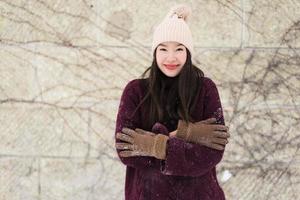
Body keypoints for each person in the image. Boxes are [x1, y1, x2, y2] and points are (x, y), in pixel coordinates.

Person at [114, 4, 230, 200]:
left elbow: (214, 150)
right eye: (163, 49)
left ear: (188, 52)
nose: (171, 57)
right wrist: (185, 135)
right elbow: (125, 148)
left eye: (178, 49)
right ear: (155, 52)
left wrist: (153, 144)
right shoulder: (136, 91)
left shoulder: (205, 89)